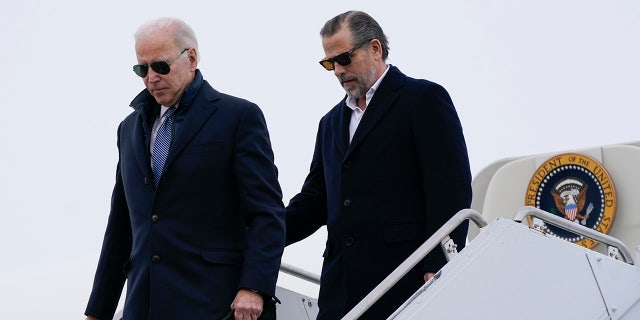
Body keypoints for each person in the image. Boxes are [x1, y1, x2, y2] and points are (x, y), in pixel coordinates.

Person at [84, 17, 285, 320]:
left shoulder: (237, 116)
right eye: (142, 69)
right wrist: (98, 310)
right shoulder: (127, 131)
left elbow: (266, 212)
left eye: (160, 66)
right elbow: (121, 228)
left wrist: (255, 287)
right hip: (144, 306)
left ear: (191, 58)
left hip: (216, 303)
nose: (151, 77)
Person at [285, 10, 472, 320]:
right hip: (340, 293)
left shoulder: (423, 99)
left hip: (404, 284)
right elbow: (315, 202)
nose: (337, 70)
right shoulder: (329, 123)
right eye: (329, 63)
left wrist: (437, 267)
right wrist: (261, 232)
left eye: (344, 58)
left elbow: (449, 190)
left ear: (375, 48)